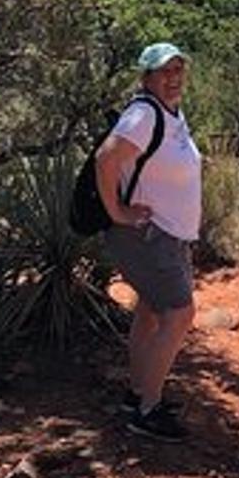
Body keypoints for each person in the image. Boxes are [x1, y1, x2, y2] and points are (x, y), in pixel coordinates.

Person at [96, 42, 202, 442]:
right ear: (146, 77)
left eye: (178, 69)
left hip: (166, 235)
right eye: (164, 72)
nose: (173, 78)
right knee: (179, 313)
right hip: (146, 235)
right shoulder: (143, 115)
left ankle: (139, 392)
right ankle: (147, 411)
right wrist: (118, 212)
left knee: (153, 311)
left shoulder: (168, 113)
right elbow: (106, 160)